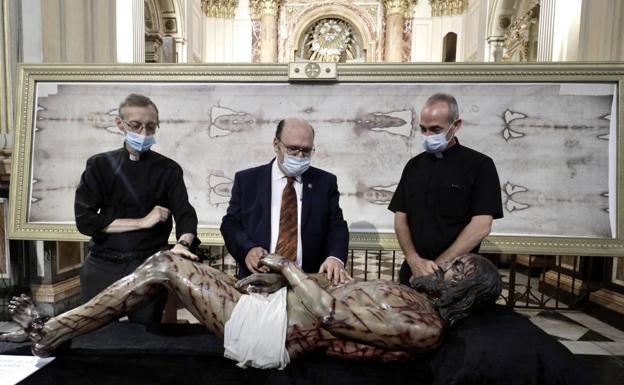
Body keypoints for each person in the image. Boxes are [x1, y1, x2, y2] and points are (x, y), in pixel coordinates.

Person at [3, 251, 501, 368]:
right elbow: (329, 300)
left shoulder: (426, 326)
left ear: (464, 291)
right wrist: (272, 281)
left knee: (163, 267)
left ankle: (51, 333)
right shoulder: (414, 299)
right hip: (271, 309)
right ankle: (55, 330)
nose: (440, 266)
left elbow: (330, 315)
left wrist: (287, 267)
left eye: (453, 270)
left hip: (272, 335)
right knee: (171, 263)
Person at [74, 93, 199, 324]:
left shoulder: (169, 169)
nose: (143, 134)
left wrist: (183, 243)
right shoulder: (99, 165)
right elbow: (86, 221)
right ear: (119, 124)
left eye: (150, 127)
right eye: (136, 126)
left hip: (147, 267)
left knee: (144, 338)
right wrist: (142, 222)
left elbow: (186, 215)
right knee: (94, 337)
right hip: (102, 265)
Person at [389, 93, 503, 285]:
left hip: (456, 275)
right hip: (413, 271)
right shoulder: (413, 166)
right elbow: (401, 219)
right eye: (423, 129)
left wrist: (439, 265)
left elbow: (481, 225)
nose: (428, 136)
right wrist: (413, 259)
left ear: (455, 125)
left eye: (436, 130)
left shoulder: (480, 165)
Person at [220, 117, 350, 284]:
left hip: (307, 283)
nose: (300, 156)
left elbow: (336, 226)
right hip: (258, 280)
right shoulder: (247, 181)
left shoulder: (324, 183)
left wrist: (335, 258)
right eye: (293, 149)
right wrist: (247, 251)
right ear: (276, 144)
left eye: (307, 150)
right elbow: (231, 224)